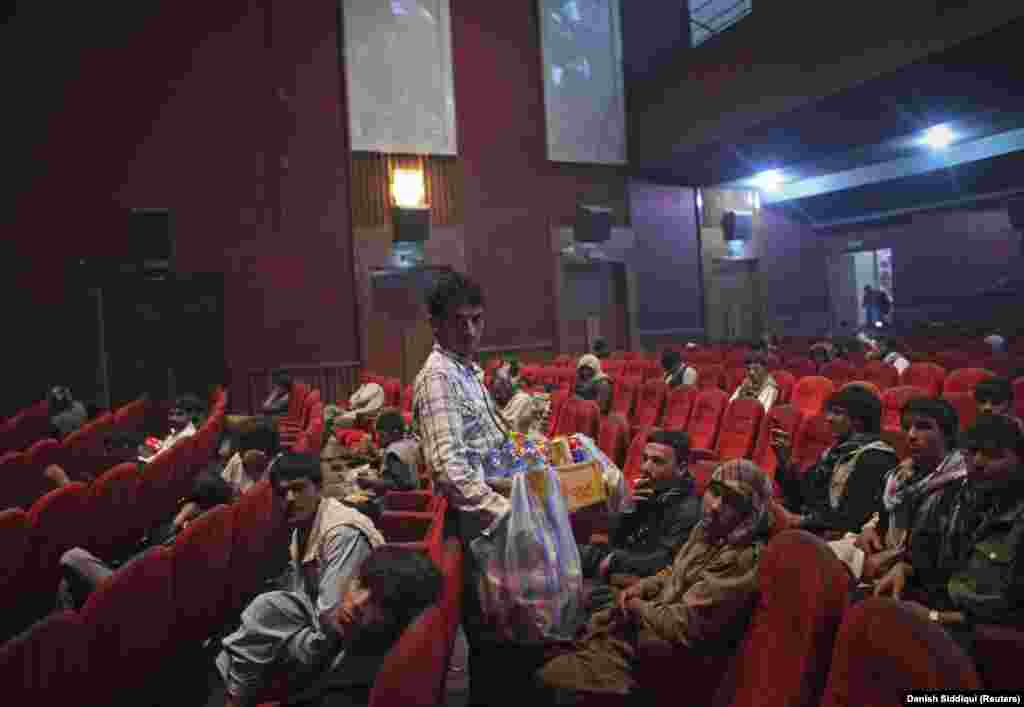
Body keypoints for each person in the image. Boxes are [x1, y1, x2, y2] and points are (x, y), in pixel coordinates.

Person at [536, 460, 774, 701]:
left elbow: (685, 625)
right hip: (645, 627)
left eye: (732, 501)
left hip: (661, 660)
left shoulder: (740, 557)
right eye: (714, 492)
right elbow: (673, 571)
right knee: (553, 640)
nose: (715, 506)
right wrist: (642, 586)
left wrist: (636, 606)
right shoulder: (708, 530)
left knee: (548, 679)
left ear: (749, 513)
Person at [216, 452, 386, 707]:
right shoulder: (304, 525)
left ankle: (235, 697)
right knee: (253, 631)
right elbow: (304, 596)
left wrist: (278, 635)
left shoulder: (342, 533)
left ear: (318, 488)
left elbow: (333, 621)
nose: (290, 499)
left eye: (298, 489)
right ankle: (234, 693)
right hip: (320, 629)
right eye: (282, 493)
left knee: (258, 627)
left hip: (350, 648)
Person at [874, 414, 1024, 651]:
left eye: (993, 454)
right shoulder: (953, 497)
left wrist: (936, 618)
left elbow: (1012, 613)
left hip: (986, 639)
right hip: (937, 611)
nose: (978, 462)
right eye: (971, 452)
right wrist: (906, 568)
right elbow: (930, 562)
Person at [57, 463, 234, 609]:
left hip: (133, 593)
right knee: (68, 585)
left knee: (72, 557)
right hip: (135, 580)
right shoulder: (213, 536)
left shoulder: (185, 537)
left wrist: (178, 520)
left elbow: (154, 557)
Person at [837, 398, 965, 585]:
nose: (911, 435)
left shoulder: (960, 485)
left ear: (948, 434)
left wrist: (899, 557)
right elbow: (882, 515)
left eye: (923, 427)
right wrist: (870, 528)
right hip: (879, 557)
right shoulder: (898, 475)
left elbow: (944, 551)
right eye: (906, 427)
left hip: (919, 577)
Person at [578, 431, 701, 613]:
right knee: (563, 553)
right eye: (645, 459)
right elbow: (616, 536)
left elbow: (663, 561)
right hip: (621, 559)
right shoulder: (652, 490)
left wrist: (613, 559)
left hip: (642, 580)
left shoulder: (688, 510)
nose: (645, 467)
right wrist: (628, 508)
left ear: (681, 468)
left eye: (657, 461)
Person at [772, 386, 897, 536]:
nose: (828, 418)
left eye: (837, 413)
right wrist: (785, 461)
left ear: (858, 420)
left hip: (839, 538)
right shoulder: (836, 451)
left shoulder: (875, 458)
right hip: (811, 527)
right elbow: (802, 494)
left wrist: (800, 521)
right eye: (830, 412)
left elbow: (853, 518)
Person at [355, 409, 421, 496]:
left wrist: (371, 482)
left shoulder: (393, 452)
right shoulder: (407, 444)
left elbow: (401, 484)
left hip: (397, 500)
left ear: (395, 433)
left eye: (382, 435)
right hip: (410, 498)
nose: (378, 439)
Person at [139, 393, 206, 462]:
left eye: (179, 414)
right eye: (171, 414)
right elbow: (165, 448)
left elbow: (161, 460)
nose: (174, 418)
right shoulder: (177, 430)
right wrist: (156, 446)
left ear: (190, 415)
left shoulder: (185, 437)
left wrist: (145, 458)